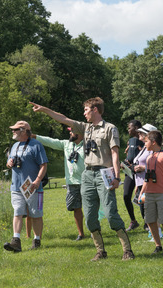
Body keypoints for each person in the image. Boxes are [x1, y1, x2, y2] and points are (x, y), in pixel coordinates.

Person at [30, 97, 135, 261]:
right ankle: (101, 251)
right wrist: (44, 109)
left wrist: (116, 176)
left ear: (95, 110)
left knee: (110, 212)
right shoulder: (85, 128)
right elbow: (63, 118)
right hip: (87, 175)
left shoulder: (110, 128)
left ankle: (127, 251)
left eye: (86, 110)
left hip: (104, 174)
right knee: (90, 216)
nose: (84, 113)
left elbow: (115, 154)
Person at [31, 127, 85, 240]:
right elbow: (51, 141)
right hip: (72, 183)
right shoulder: (66, 144)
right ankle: (81, 233)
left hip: (87, 182)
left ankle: (95, 231)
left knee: (90, 208)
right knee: (75, 207)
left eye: (72, 131)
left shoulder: (88, 145)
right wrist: (36, 136)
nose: (70, 132)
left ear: (79, 133)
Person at [4, 121, 48, 252]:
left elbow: (43, 165)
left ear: (23, 131)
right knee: (17, 211)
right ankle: (16, 241)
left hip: (33, 187)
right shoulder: (14, 145)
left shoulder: (36, 145)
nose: (13, 131)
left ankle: (37, 240)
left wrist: (37, 181)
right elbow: (9, 162)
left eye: (15, 129)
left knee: (36, 214)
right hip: (16, 187)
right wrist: (9, 163)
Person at [138, 130, 163, 256]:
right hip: (149, 194)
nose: (145, 144)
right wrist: (141, 193)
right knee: (150, 220)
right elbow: (147, 177)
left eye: (146, 141)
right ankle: (158, 245)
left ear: (153, 142)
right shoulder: (149, 157)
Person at [132, 123, 157, 232]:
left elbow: (156, 165)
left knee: (148, 208)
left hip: (149, 182)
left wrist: (143, 168)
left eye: (141, 132)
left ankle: (153, 230)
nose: (139, 134)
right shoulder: (143, 148)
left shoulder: (152, 148)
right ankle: (150, 229)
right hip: (140, 182)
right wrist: (137, 185)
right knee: (143, 207)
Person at [122, 120, 143, 232]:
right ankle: (133, 221)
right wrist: (125, 162)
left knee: (142, 198)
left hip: (140, 173)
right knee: (126, 196)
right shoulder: (130, 141)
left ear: (136, 128)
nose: (128, 130)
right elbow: (130, 157)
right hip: (129, 173)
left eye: (130, 127)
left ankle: (148, 223)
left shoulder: (143, 140)